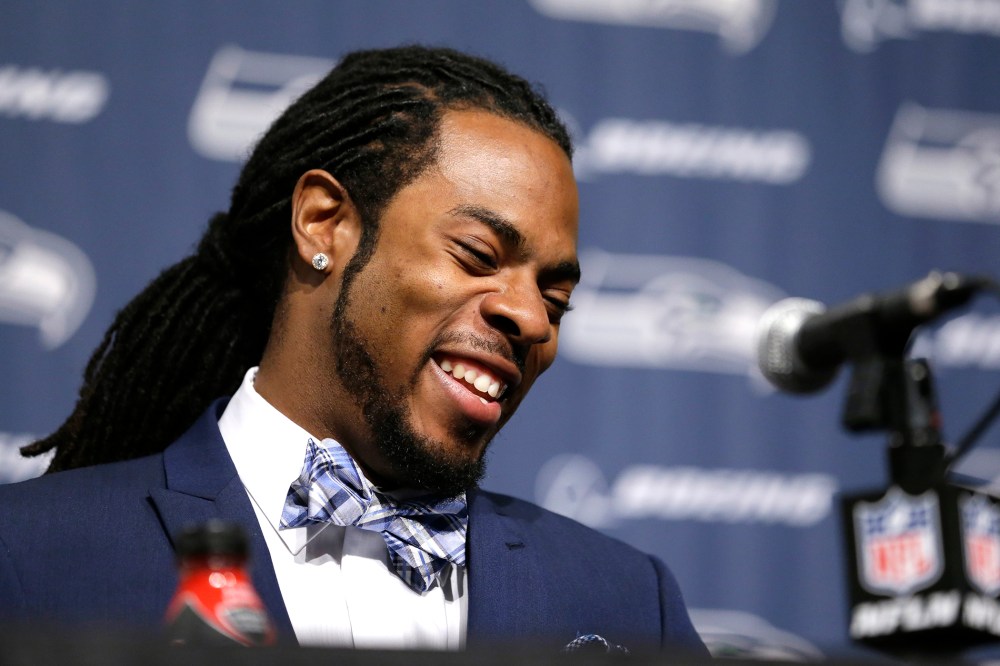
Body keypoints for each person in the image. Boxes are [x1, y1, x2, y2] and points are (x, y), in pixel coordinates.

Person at [0, 45, 706, 655]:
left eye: (556, 300)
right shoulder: (34, 555)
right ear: (323, 224)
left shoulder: (629, 604)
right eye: (478, 254)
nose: (530, 318)